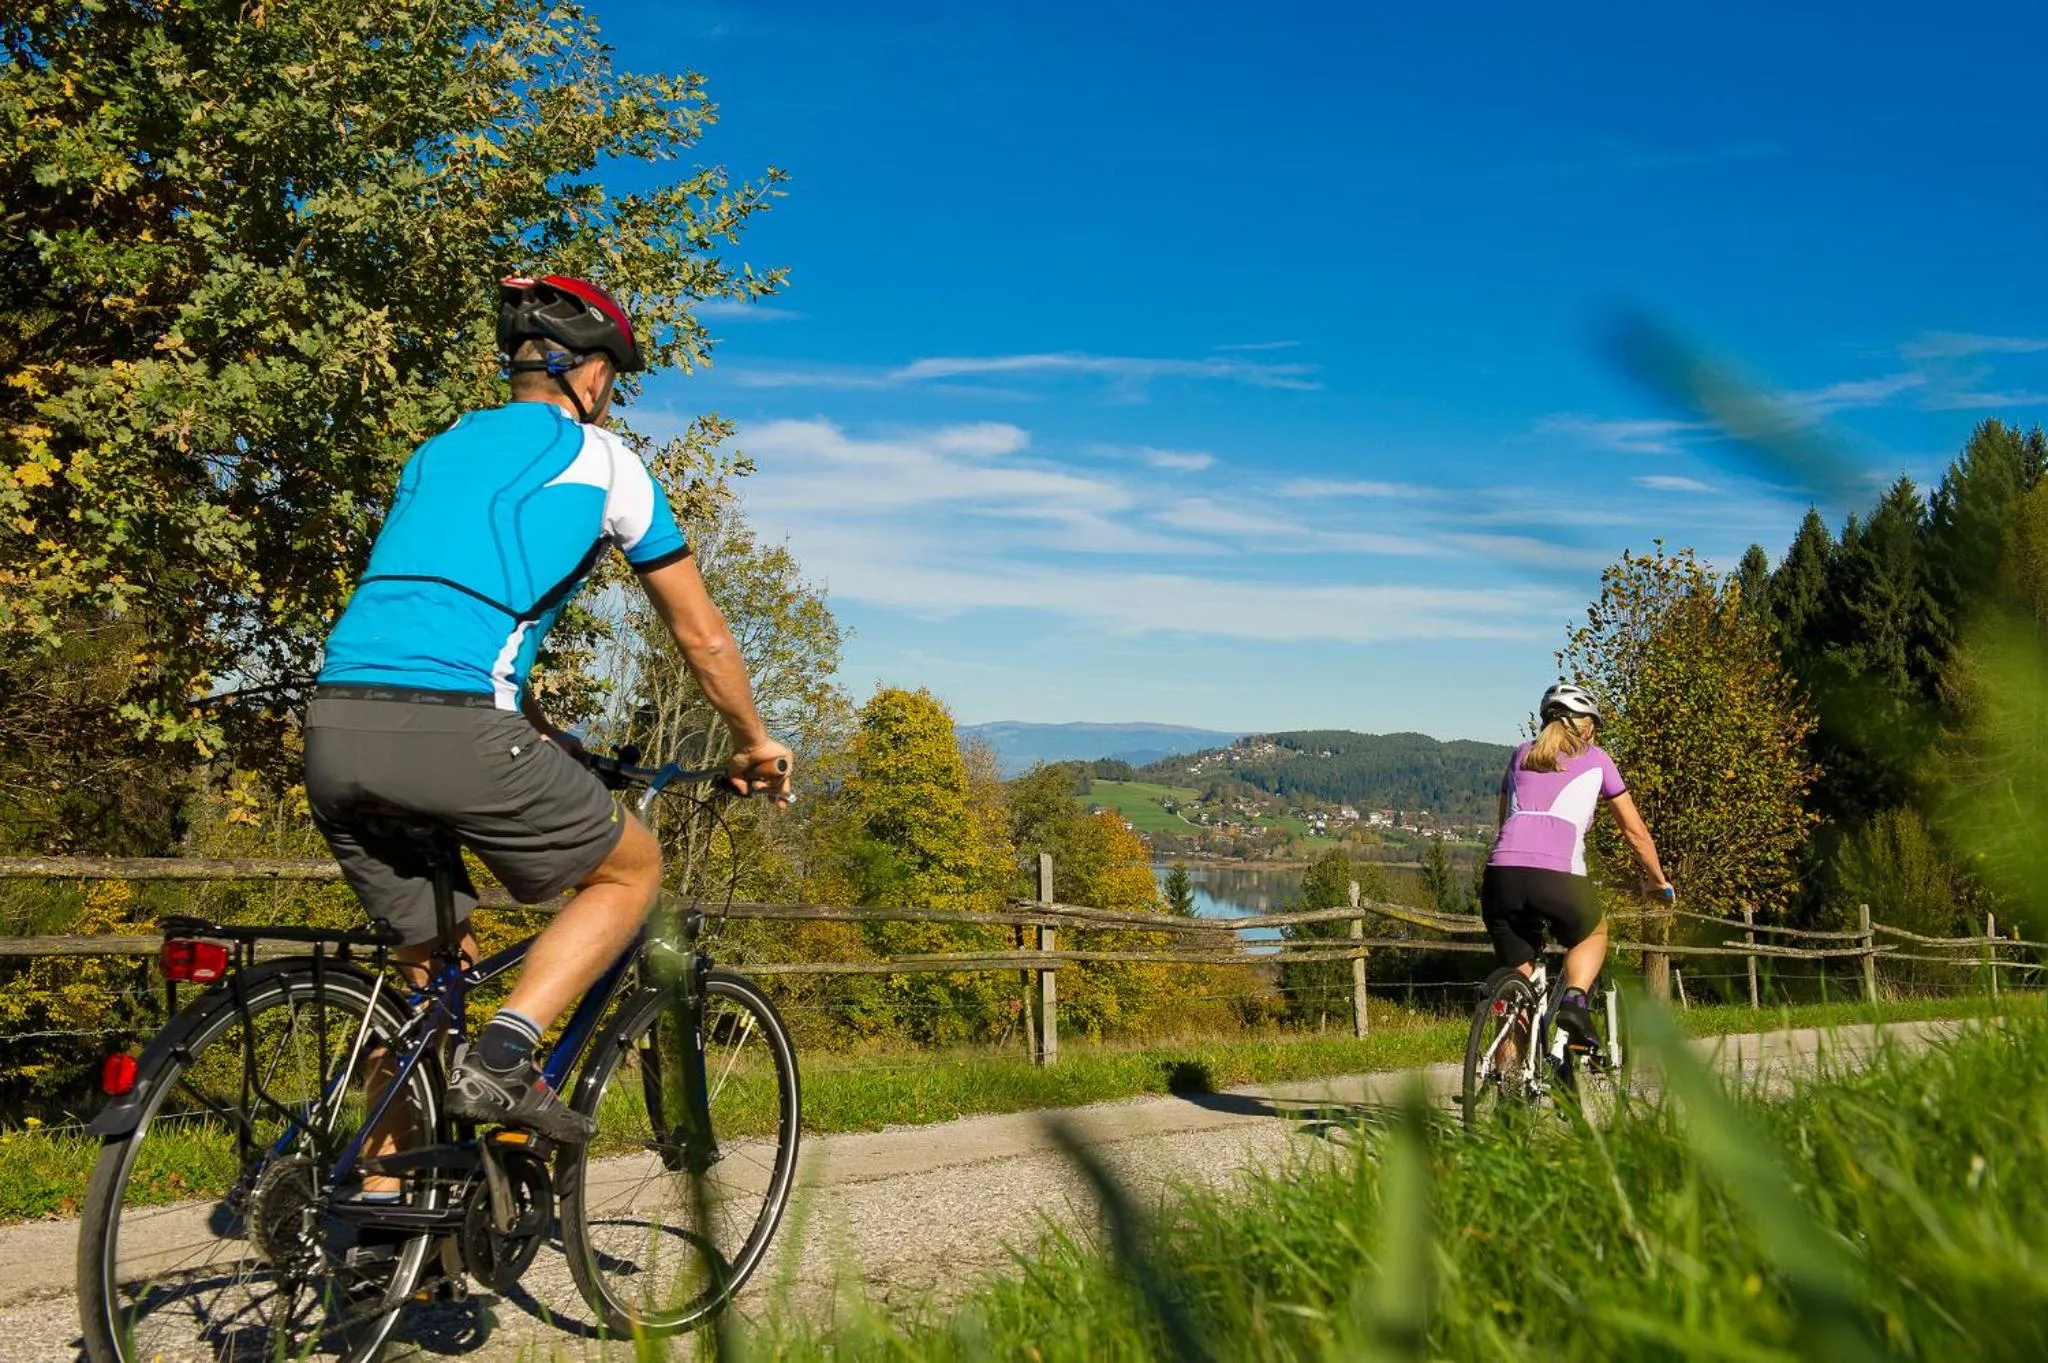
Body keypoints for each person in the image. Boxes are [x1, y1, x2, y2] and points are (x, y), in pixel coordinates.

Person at [304, 274, 793, 1148]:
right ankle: (506, 1054)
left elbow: (436, 621)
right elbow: (703, 634)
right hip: (457, 732)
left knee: (425, 996)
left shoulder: (437, 448)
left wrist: (541, 734)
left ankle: (385, 1233)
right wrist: (754, 742)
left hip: (335, 727)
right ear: (595, 375)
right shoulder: (607, 461)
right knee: (629, 872)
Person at [1481, 682, 1671, 1046]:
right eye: (1594, 725)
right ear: (1584, 725)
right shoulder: (1597, 759)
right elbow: (1635, 832)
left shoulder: (1520, 754)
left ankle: (1508, 1091)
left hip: (1500, 876)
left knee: (1517, 991)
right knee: (1593, 932)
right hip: (1559, 877)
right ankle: (1575, 1001)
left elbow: (1503, 820)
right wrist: (1657, 879)